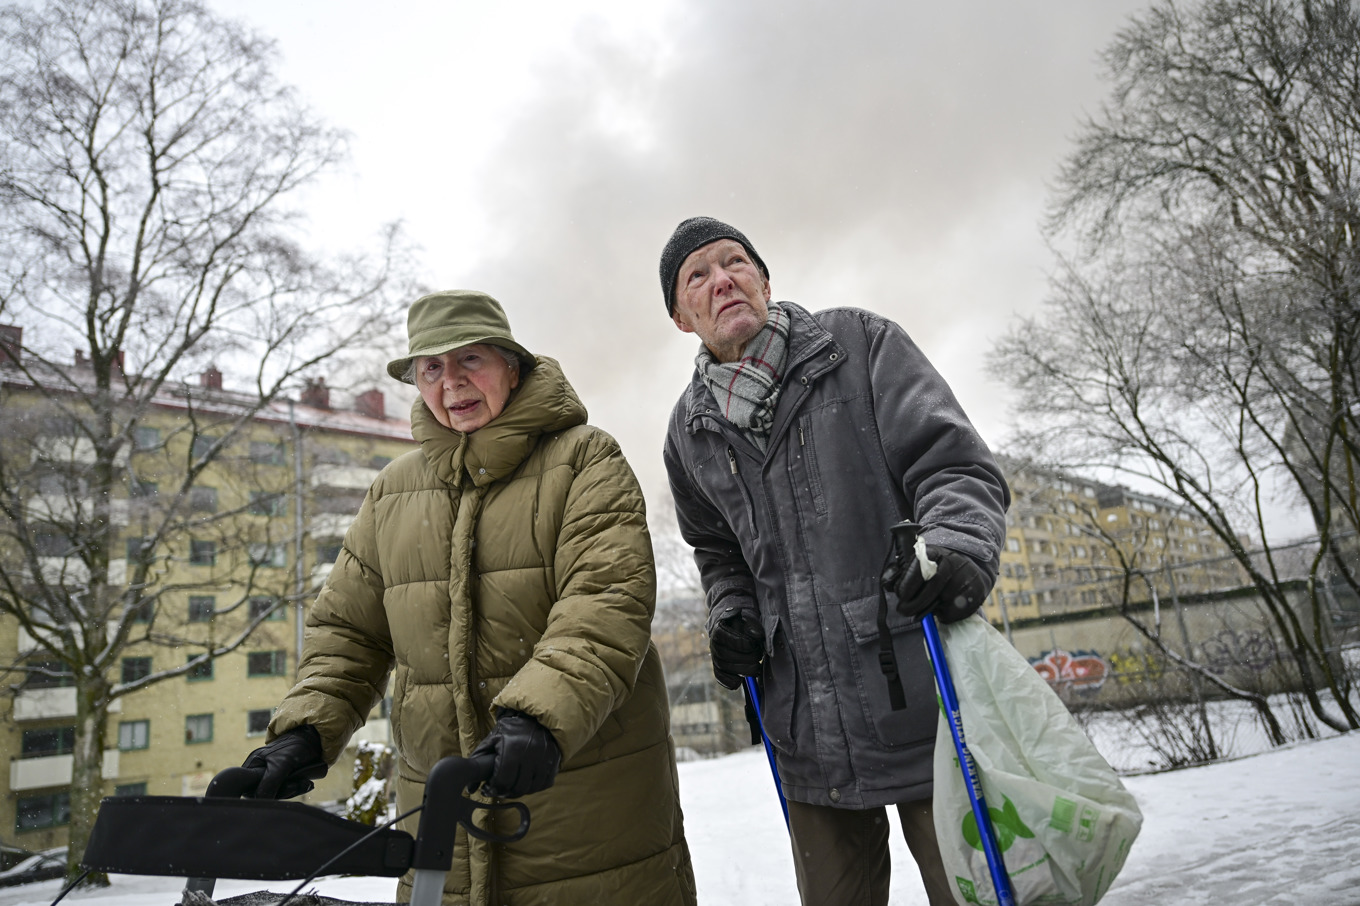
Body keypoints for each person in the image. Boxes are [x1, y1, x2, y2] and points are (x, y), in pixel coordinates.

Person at [239, 290, 697, 906]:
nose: (451, 382)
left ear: (513, 365)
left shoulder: (585, 459)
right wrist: (304, 732)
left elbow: (606, 599)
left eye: (470, 361)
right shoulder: (392, 492)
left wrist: (540, 715)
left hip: (583, 814)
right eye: (431, 368)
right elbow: (350, 633)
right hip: (441, 828)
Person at [659, 217, 1010, 906]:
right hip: (802, 718)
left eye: (736, 262)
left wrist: (956, 546)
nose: (722, 278)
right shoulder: (687, 430)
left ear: (765, 280)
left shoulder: (859, 345)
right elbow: (717, 549)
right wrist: (732, 612)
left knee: (974, 892)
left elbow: (954, 466)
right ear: (680, 317)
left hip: (918, 683)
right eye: (697, 275)